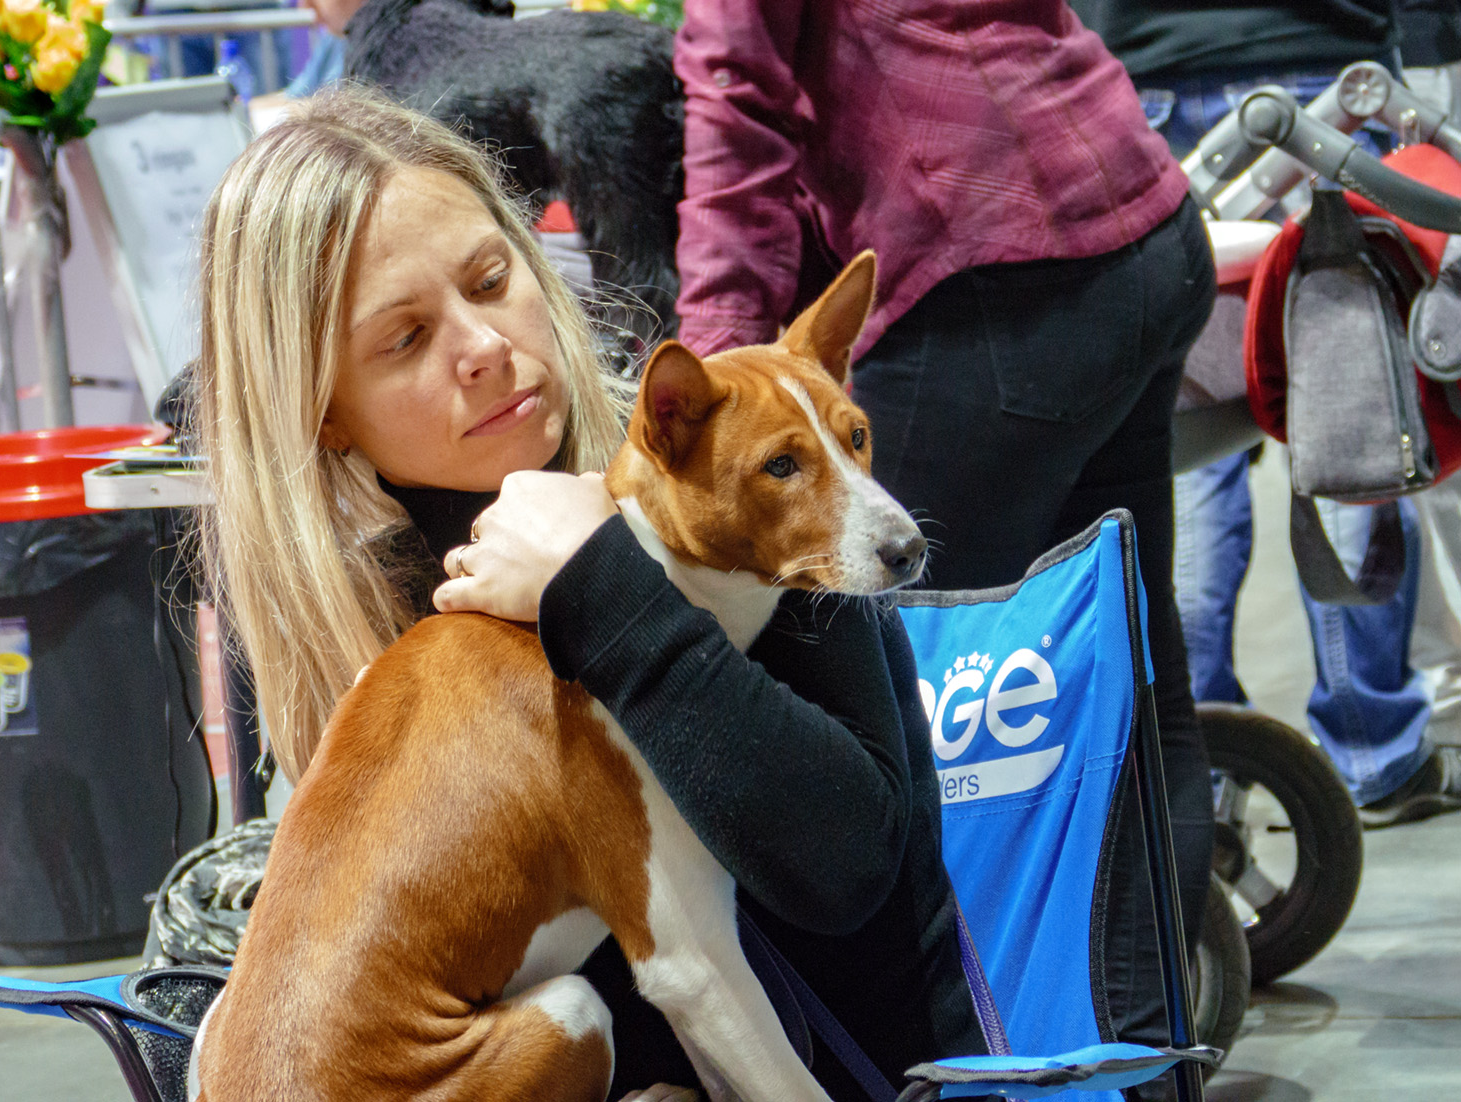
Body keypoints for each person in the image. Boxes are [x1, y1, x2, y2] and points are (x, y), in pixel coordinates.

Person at [190, 85, 989, 1101]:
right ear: (323, 415)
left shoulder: (728, 503)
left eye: (491, 278)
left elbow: (846, 869)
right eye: (405, 338)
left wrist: (602, 586)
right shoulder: (370, 612)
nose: (483, 347)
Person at [670, 0, 1216, 1060]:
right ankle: (1143, 1059)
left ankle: (963, 1060)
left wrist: (722, 390)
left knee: (892, 712)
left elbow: (736, 103)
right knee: (1133, 688)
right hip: (1136, 220)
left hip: (997, 278)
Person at [1070, 0, 1461, 828]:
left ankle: (1203, 759)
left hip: (1148, 75)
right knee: (1352, 399)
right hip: (1321, 58)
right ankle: (1372, 754)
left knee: (1189, 440)